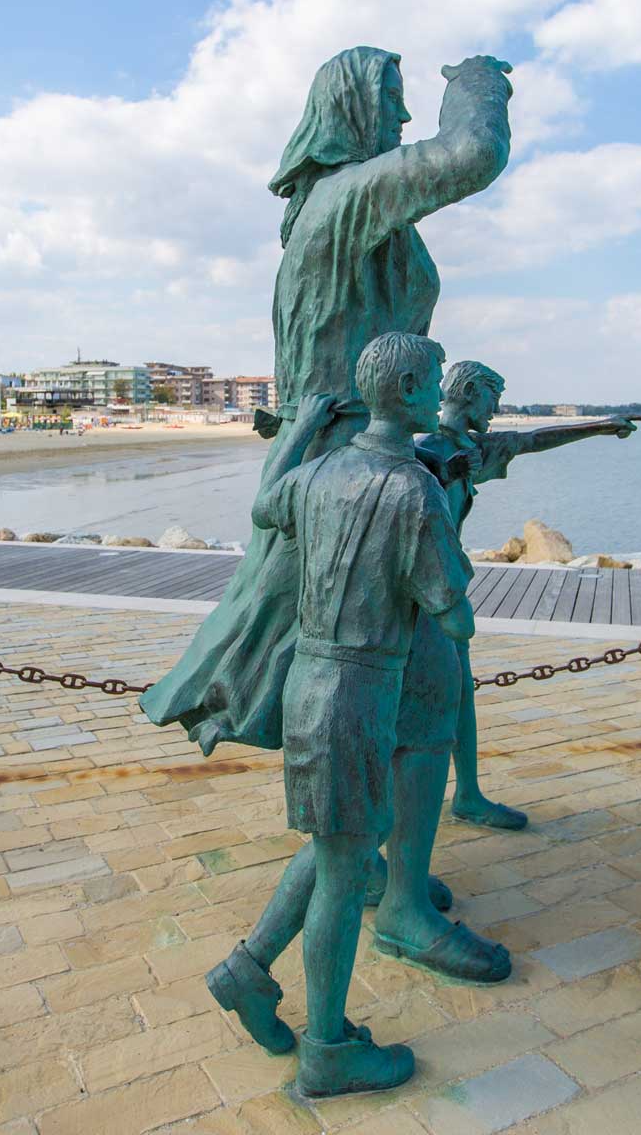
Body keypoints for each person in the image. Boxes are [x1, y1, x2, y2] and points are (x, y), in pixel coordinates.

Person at [140, 46, 514, 756]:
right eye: (391, 97)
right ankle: (345, 844)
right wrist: (479, 81)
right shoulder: (348, 196)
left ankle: (380, 825)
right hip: (346, 463)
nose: (405, 114)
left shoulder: (354, 208)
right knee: (337, 650)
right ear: (350, 108)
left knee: (352, 649)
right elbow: (472, 151)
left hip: (357, 452)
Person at [217, 332, 471, 1097]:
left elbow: (267, 504)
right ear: (411, 388)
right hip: (364, 692)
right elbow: (453, 616)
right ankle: (327, 1050)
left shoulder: (321, 472)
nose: (437, 391)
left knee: (343, 845)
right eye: (431, 380)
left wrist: (299, 430)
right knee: (344, 871)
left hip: (311, 682)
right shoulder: (414, 488)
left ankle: (248, 969)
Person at [415, 363, 641, 828]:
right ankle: (401, 813)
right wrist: (440, 476)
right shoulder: (423, 449)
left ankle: (469, 794)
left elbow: (535, 440)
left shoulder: (473, 446)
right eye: (491, 399)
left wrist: (600, 427)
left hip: (449, 586)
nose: (496, 409)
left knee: (461, 695)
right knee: (427, 698)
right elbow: (397, 506)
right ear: (470, 394)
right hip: (419, 594)